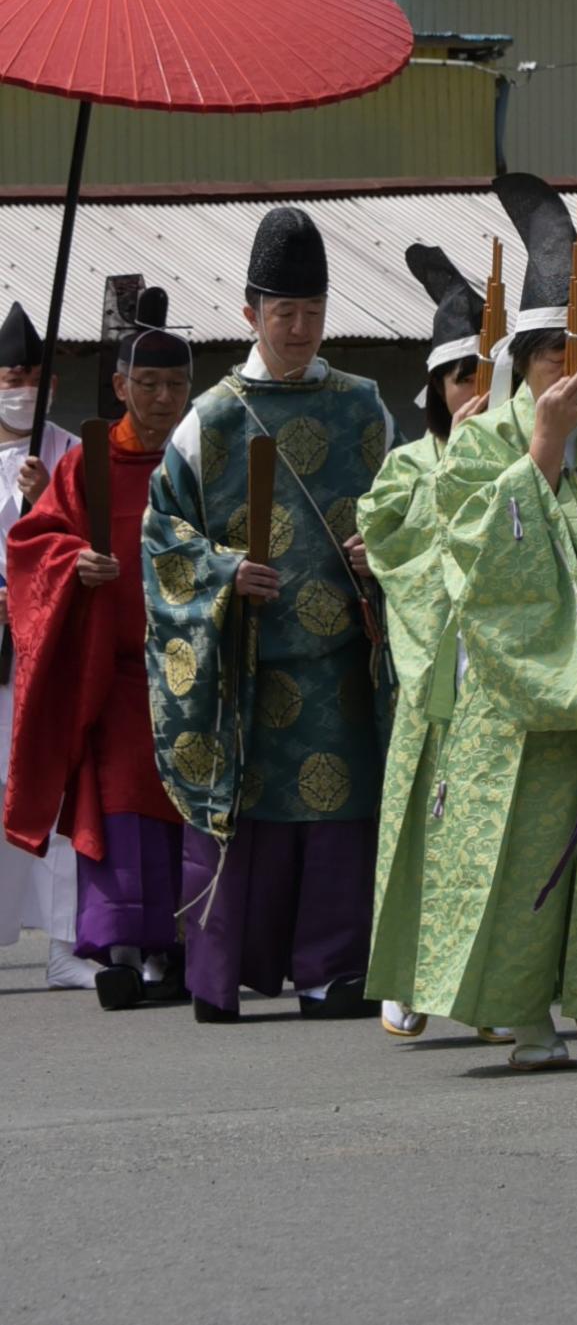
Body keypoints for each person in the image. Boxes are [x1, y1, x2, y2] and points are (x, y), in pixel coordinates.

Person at [145, 206, 396, 1023]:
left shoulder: (366, 409)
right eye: (283, 312)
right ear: (249, 312)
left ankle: (332, 974)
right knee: (243, 816)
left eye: (313, 312)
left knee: (339, 821)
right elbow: (163, 535)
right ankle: (220, 975)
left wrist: (382, 553)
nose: (299, 327)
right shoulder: (209, 420)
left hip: (341, 668)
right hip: (243, 661)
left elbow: (406, 511)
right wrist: (220, 573)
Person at [418, 175, 577, 1072]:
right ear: (523, 357)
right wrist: (542, 451)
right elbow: (470, 555)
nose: (566, 368)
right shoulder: (482, 440)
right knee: (522, 852)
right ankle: (524, 1015)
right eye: (547, 351)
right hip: (513, 689)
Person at [4, 291, 191, 1009]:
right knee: (118, 805)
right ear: (120, 387)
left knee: (184, 806)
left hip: (187, 674)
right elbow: (33, 544)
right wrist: (75, 564)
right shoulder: (85, 464)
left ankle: (175, 948)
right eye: (147, 384)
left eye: (175, 385)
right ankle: (118, 949)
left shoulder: (196, 460)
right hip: (112, 676)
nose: (163, 397)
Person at [362, 242, 511, 1045]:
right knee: (420, 829)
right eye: (462, 378)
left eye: (490, 377)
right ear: (435, 389)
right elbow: (394, 551)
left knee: (489, 838)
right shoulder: (407, 469)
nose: (477, 394)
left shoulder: (525, 460)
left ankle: (486, 985)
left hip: (501, 676)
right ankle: (404, 974)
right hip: (437, 678)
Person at [0, 302, 89, 989]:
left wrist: (46, 499)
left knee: (59, 785)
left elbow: (87, 542)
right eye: (8, 375)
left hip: (52, 644)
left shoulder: (71, 454)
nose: (19, 384)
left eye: (30, 374)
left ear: (50, 383)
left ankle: (66, 945)